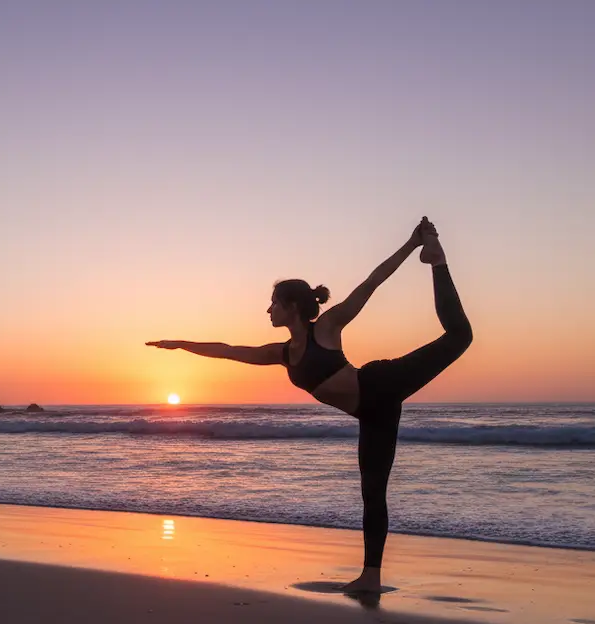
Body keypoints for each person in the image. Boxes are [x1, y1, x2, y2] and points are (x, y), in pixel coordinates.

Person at [146, 217, 473, 594]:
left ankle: (437, 259)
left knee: (460, 335)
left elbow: (372, 281)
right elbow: (229, 351)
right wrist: (180, 344)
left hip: (381, 384)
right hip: (373, 413)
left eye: (272, 304)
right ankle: (371, 576)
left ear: (290, 306)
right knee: (373, 491)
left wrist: (413, 244)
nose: (268, 310)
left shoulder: (328, 327)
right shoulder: (282, 354)